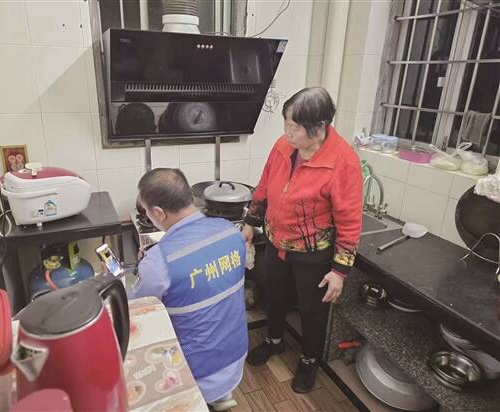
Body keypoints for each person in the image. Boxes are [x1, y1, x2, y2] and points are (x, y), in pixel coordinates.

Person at [243, 87, 362, 393]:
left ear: (319, 127)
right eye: (286, 124)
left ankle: (309, 360)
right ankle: (275, 341)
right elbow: (265, 184)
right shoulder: (284, 146)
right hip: (277, 241)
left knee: (312, 310)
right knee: (273, 295)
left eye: (294, 127)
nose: (288, 133)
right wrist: (251, 221)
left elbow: (350, 221)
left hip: (312, 252)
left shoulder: (343, 162)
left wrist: (339, 271)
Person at [132, 168, 248, 411]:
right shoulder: (230, 231)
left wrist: (140, 270)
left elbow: (139, 309)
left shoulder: (158, 262)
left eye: (146, 211)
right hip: (236, 356)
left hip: (195, 373)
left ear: (158, 213)